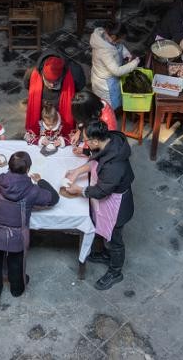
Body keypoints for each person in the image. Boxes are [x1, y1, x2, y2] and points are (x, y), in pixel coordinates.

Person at [63, 121, 135, 290]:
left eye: (86, 140)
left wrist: (79, 190)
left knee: (115, 240)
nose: (84, 142)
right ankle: (104, 254)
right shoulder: (106, 142)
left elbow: (102, 191)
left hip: (116, 206)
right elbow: (95, 161)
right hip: (106, 200)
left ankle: (115, 271)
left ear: (95, 141)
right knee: (103, 229)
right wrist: (77, 171)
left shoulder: (114, 165)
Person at [0, 151, 60, 303]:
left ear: (9, 166)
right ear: (28, 169)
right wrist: (41, 181)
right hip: (16, 237)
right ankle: (16, 289)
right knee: (16, 263)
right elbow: (54, 199)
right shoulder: (33, 190)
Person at [25, 53, 86, 139]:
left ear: (62, 75)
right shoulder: (32, 72)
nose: (52, 85)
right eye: (48, 81)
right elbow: (27, 85)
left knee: (63, 131)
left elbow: (80, 87)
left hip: (63, 108)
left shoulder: (75, 72)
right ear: (42, 74)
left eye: (55, 82)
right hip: (43, 109)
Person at [89, 21, 140, 110]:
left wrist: (126, 54)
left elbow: (119, 46)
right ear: (113, 37)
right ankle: (110, 115)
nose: (121, 41)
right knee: (109, 105)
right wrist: (134, 63)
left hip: (107, 75)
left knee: (114, 98)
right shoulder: (104, 51)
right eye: (121, 39)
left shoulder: (107, 37)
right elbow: (117, 71)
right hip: (105, 83)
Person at [68, 90, 117, 155]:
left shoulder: (107, 125)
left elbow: (103, 150)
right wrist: (78, 132)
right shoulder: (94, 103)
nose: (83, 139)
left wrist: (85, 151)